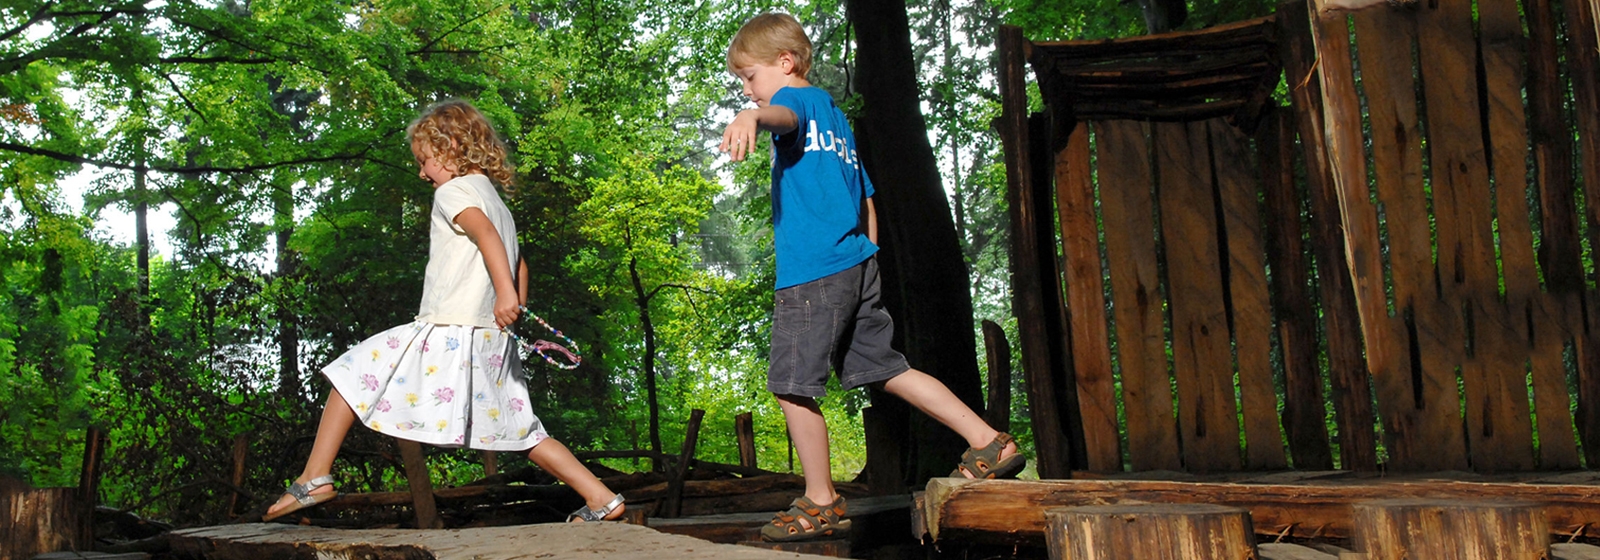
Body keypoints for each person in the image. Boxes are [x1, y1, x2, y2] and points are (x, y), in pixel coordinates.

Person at [718, 12, 1024, 543]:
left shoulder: (798, 103)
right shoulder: (837, 120)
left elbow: (783, 115)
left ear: (785, 63)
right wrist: (869, 255)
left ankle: (820, 501)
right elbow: (867, 198)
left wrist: (752, 115)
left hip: (815, 271)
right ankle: (989, 441)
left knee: (791, 386)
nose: (750, 89)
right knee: (886, 369)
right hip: (858, 264)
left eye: (750, 77)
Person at [264, 100, 625, 524]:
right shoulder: (496, 201)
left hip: (450, 328)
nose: (422, 173)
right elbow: (517, 258)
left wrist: (506, 295)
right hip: (487, 339)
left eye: (425, 160)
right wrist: (514, 306)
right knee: (520, 428)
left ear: (451, 145)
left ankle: (314, 476)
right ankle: (601, 498)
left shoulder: (453, 191)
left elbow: (484, 235)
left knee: (350, 375)